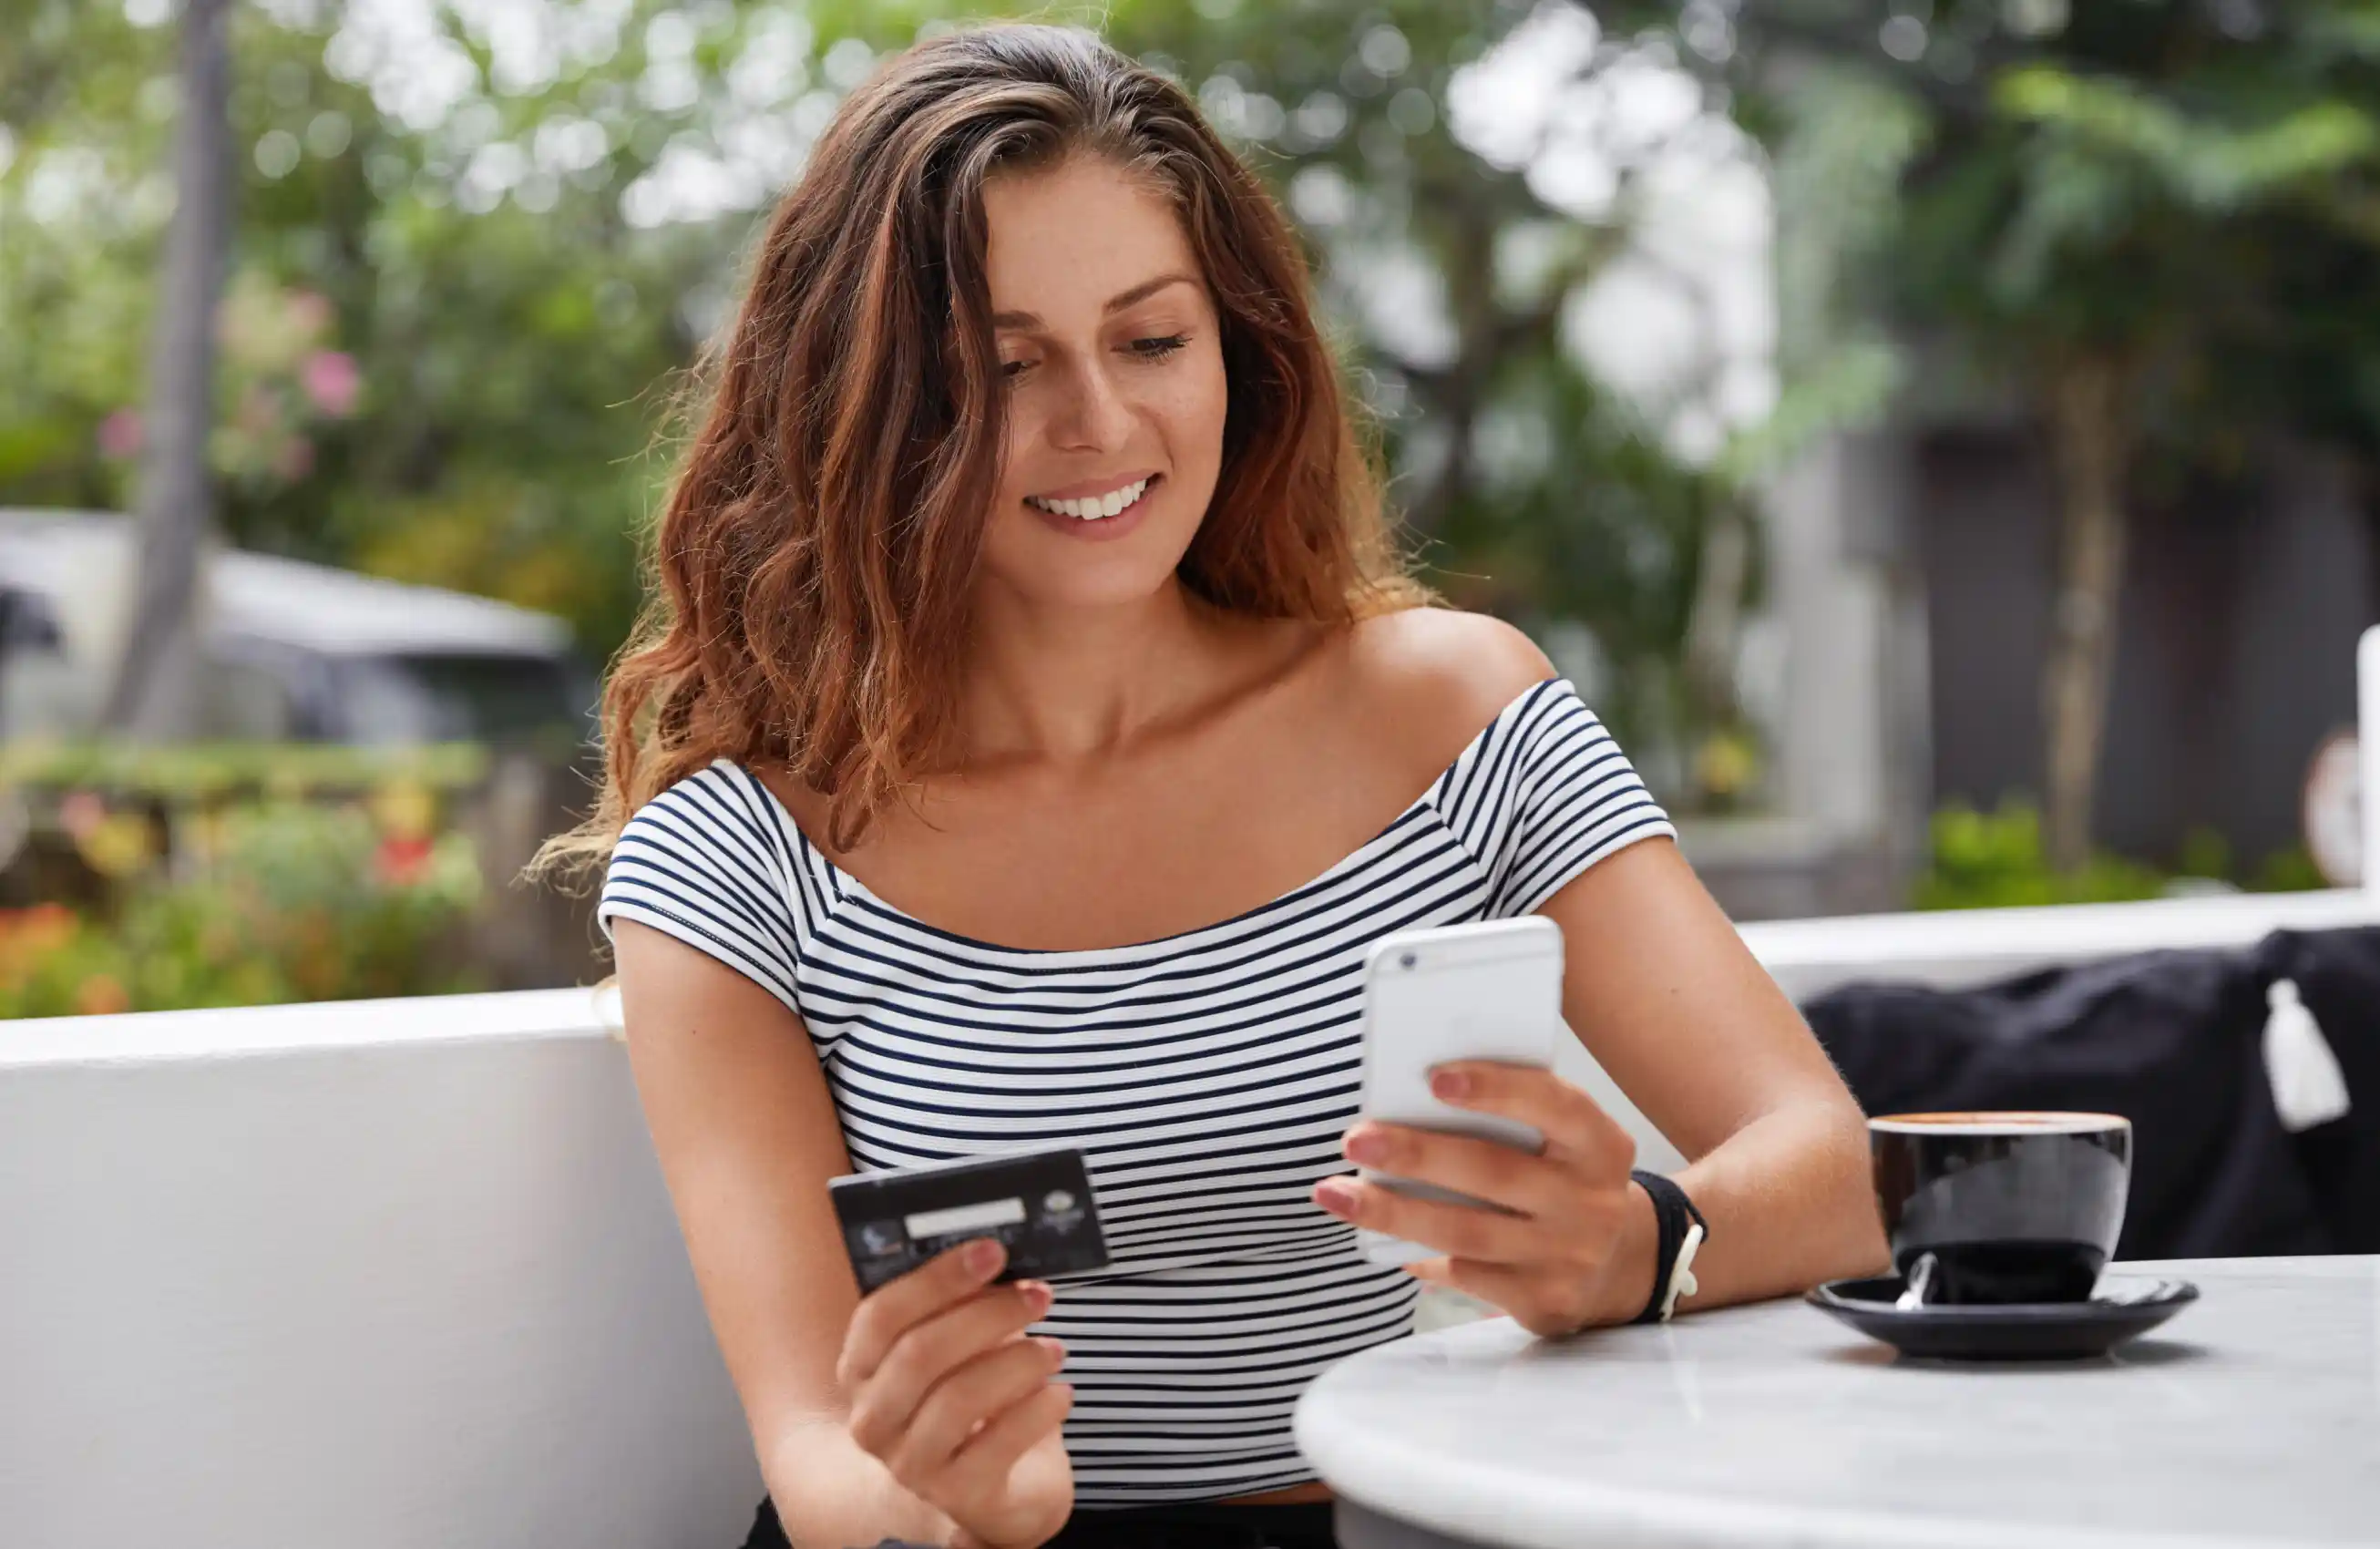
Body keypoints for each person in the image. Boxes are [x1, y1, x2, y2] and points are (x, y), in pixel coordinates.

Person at [539, 22, 1887, 1549]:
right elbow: (816, 1443)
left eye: (1151, 340)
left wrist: (1644, 1244)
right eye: (1003, 364)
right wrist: (950, 1502)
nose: (1098, 426)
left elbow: (1831, 1169)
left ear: (1237, 349)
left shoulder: (1455, 713)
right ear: (878, 404)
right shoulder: (737, 857)